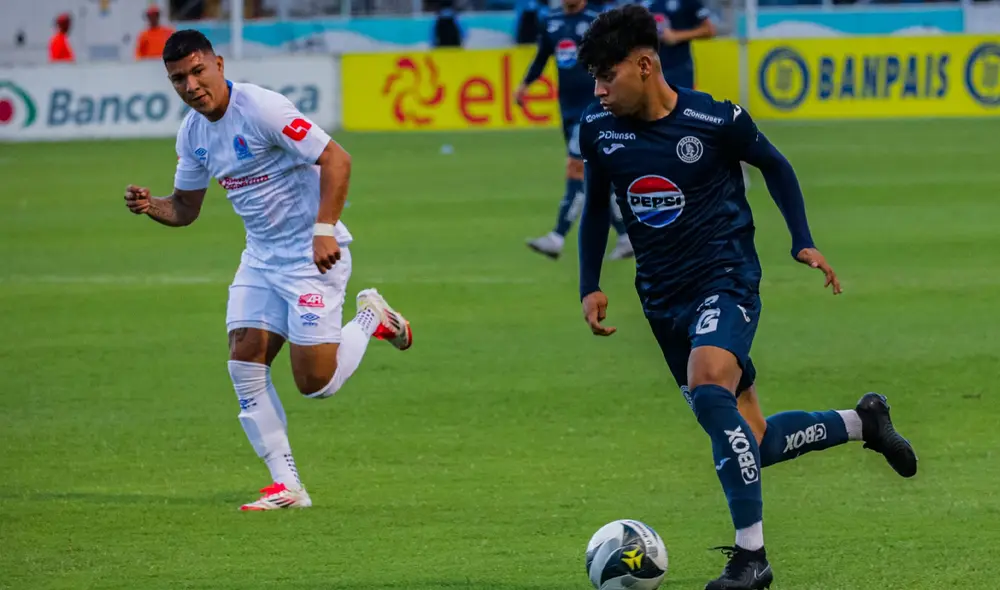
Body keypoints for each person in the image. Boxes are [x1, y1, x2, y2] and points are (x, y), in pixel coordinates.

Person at [574, 7, 917, 589]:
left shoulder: (715, 119)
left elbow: (776, 166)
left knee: (710, 386)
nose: (599, 91)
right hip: (660, 299)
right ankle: (863, 422)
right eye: (594, 80)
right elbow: (594, 207)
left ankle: (751, 558)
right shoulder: (599, 129)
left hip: (725, 279)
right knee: (751, 441)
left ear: (645, 65)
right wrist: (590, 283)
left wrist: (802, 239)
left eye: (608, 76)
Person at [123, 30, 413, 512]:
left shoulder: (261, 109)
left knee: (315, 385)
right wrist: (150, 205)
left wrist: (324, 229)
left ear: (218, 64)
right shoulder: (192, 134)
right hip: (260, 259)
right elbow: (186, 208)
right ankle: (288, 486)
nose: (191, 85)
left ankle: (372, 317)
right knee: (244, 361)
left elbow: (336, 158)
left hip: (313, 257)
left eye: (198, 71)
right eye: (178, 79)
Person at [515, 0, 633, 261]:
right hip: (568, 110)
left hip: (594, 109)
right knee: (597, 175)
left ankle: (557, 237)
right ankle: (626, 236)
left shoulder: (597, 21)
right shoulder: (551, 21)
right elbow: (542, 56)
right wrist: (525, 84)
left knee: (576, 168)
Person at [640, 0, 715, 89]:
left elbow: (709, 29)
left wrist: (676, 36)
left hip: (679, 68)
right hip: (648, 68)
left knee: (682, 97)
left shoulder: (688, 2)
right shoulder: (641, 3)